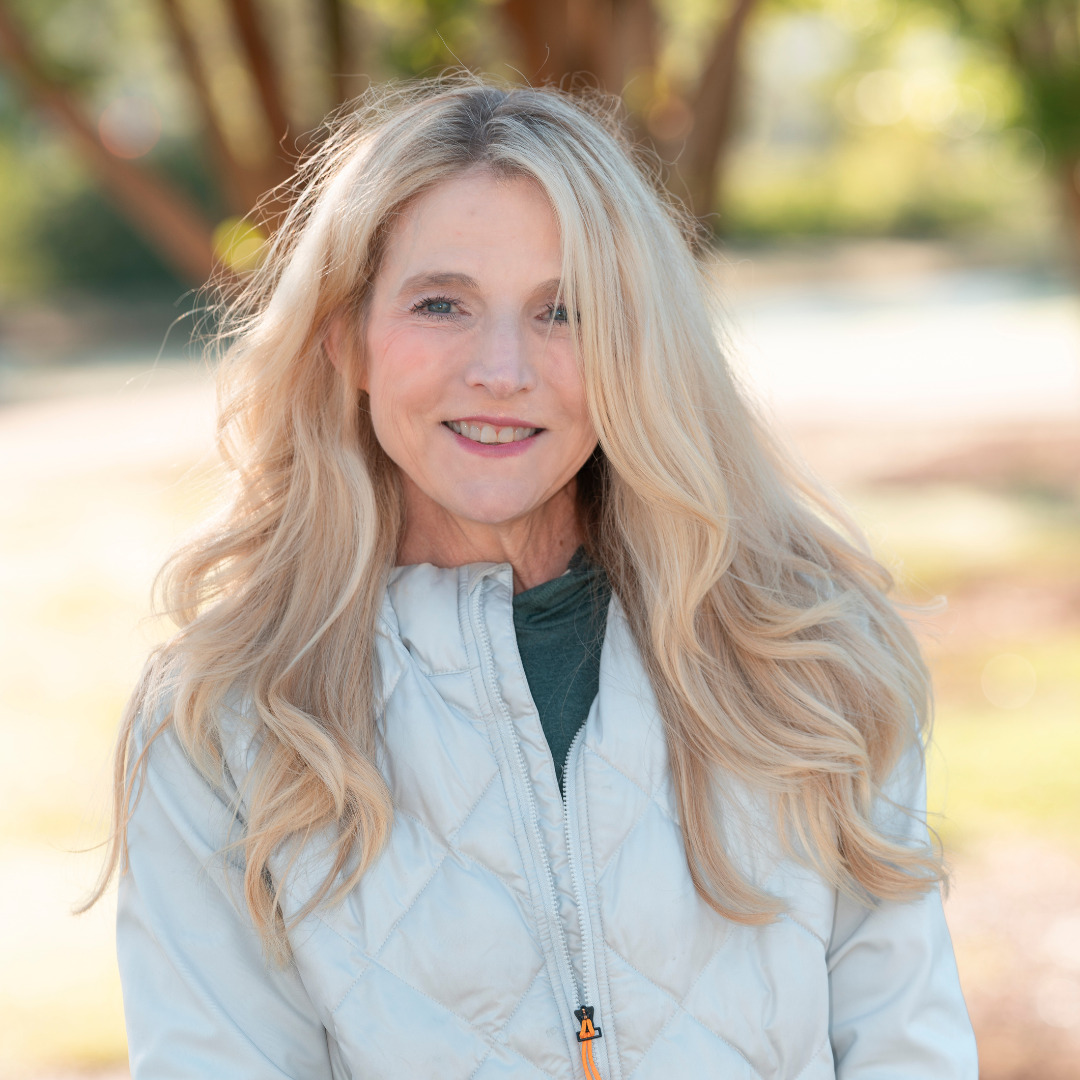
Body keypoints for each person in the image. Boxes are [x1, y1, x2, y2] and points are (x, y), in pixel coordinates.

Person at [97, 77, 978, 1077]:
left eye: (562, 311)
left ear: (632, 343)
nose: (502, 369)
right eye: (441, 304)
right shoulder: (224, 723)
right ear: (347, 338)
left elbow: (909, 1047)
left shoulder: (806, 656)